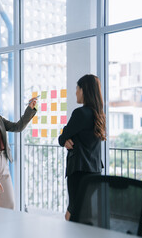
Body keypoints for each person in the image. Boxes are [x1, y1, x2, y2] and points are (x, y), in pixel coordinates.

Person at [58, 74, 106, 221]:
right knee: (86, 213)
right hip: (95, 171)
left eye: (77, 89)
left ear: (83, 90)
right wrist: (67, 139)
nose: (76, 92)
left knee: (73, 213)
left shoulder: (80, 113)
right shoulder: (99, 114)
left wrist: (65, 140)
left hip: (79, 171)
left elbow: (62, 137)